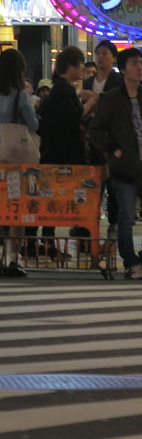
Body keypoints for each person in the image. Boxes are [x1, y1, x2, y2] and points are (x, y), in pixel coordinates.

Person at [87, 46, 142, 277]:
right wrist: (113, 150)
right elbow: (96, 130)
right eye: (134, 63)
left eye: (140, 63)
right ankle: (131, 262)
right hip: (125, 167)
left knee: (128, 215)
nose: (139, 67)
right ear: (123, 68)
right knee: (126, 216)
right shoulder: (112, 99)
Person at [38, 46, 87, 164]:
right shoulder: (63, 89)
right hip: (64, 154)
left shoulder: (59, 87)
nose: (82, 68)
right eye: (80, 63)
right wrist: (92, 102)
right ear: (71, 66)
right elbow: (73, 118)